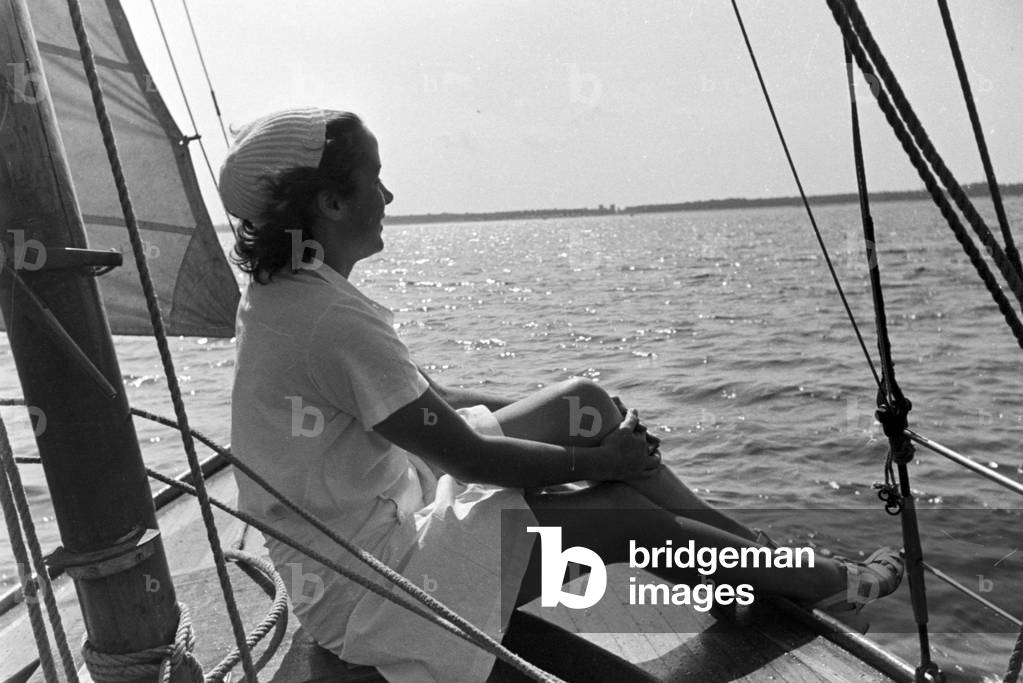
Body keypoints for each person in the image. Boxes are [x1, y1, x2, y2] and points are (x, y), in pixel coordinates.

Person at [221, 108, 904, 683]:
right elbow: (469, 460)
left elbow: (437, 397)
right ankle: (825, 582)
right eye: (374, 179)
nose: (389, 195)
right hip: (374, 589)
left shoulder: (296, 291)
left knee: (583, 401)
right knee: (624, 512)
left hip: (391, 519)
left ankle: (744, 559)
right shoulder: (327, 319)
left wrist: (583, 433)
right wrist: (600, 461)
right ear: (331, 202)